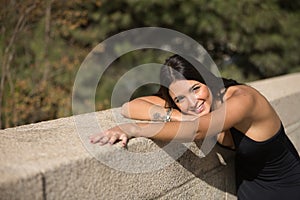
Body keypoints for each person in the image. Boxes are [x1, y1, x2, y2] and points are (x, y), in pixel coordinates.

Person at [90, 54, 300, 199]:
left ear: (207, 79)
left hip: (288, 191)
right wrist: (177, 116)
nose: (192, 103)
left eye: (195, 88)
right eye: (180, 98)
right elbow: (129, 107)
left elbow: (198, 130)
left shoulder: (242, 99)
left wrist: (134, 129)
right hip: (250, 191)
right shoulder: (190, 108)